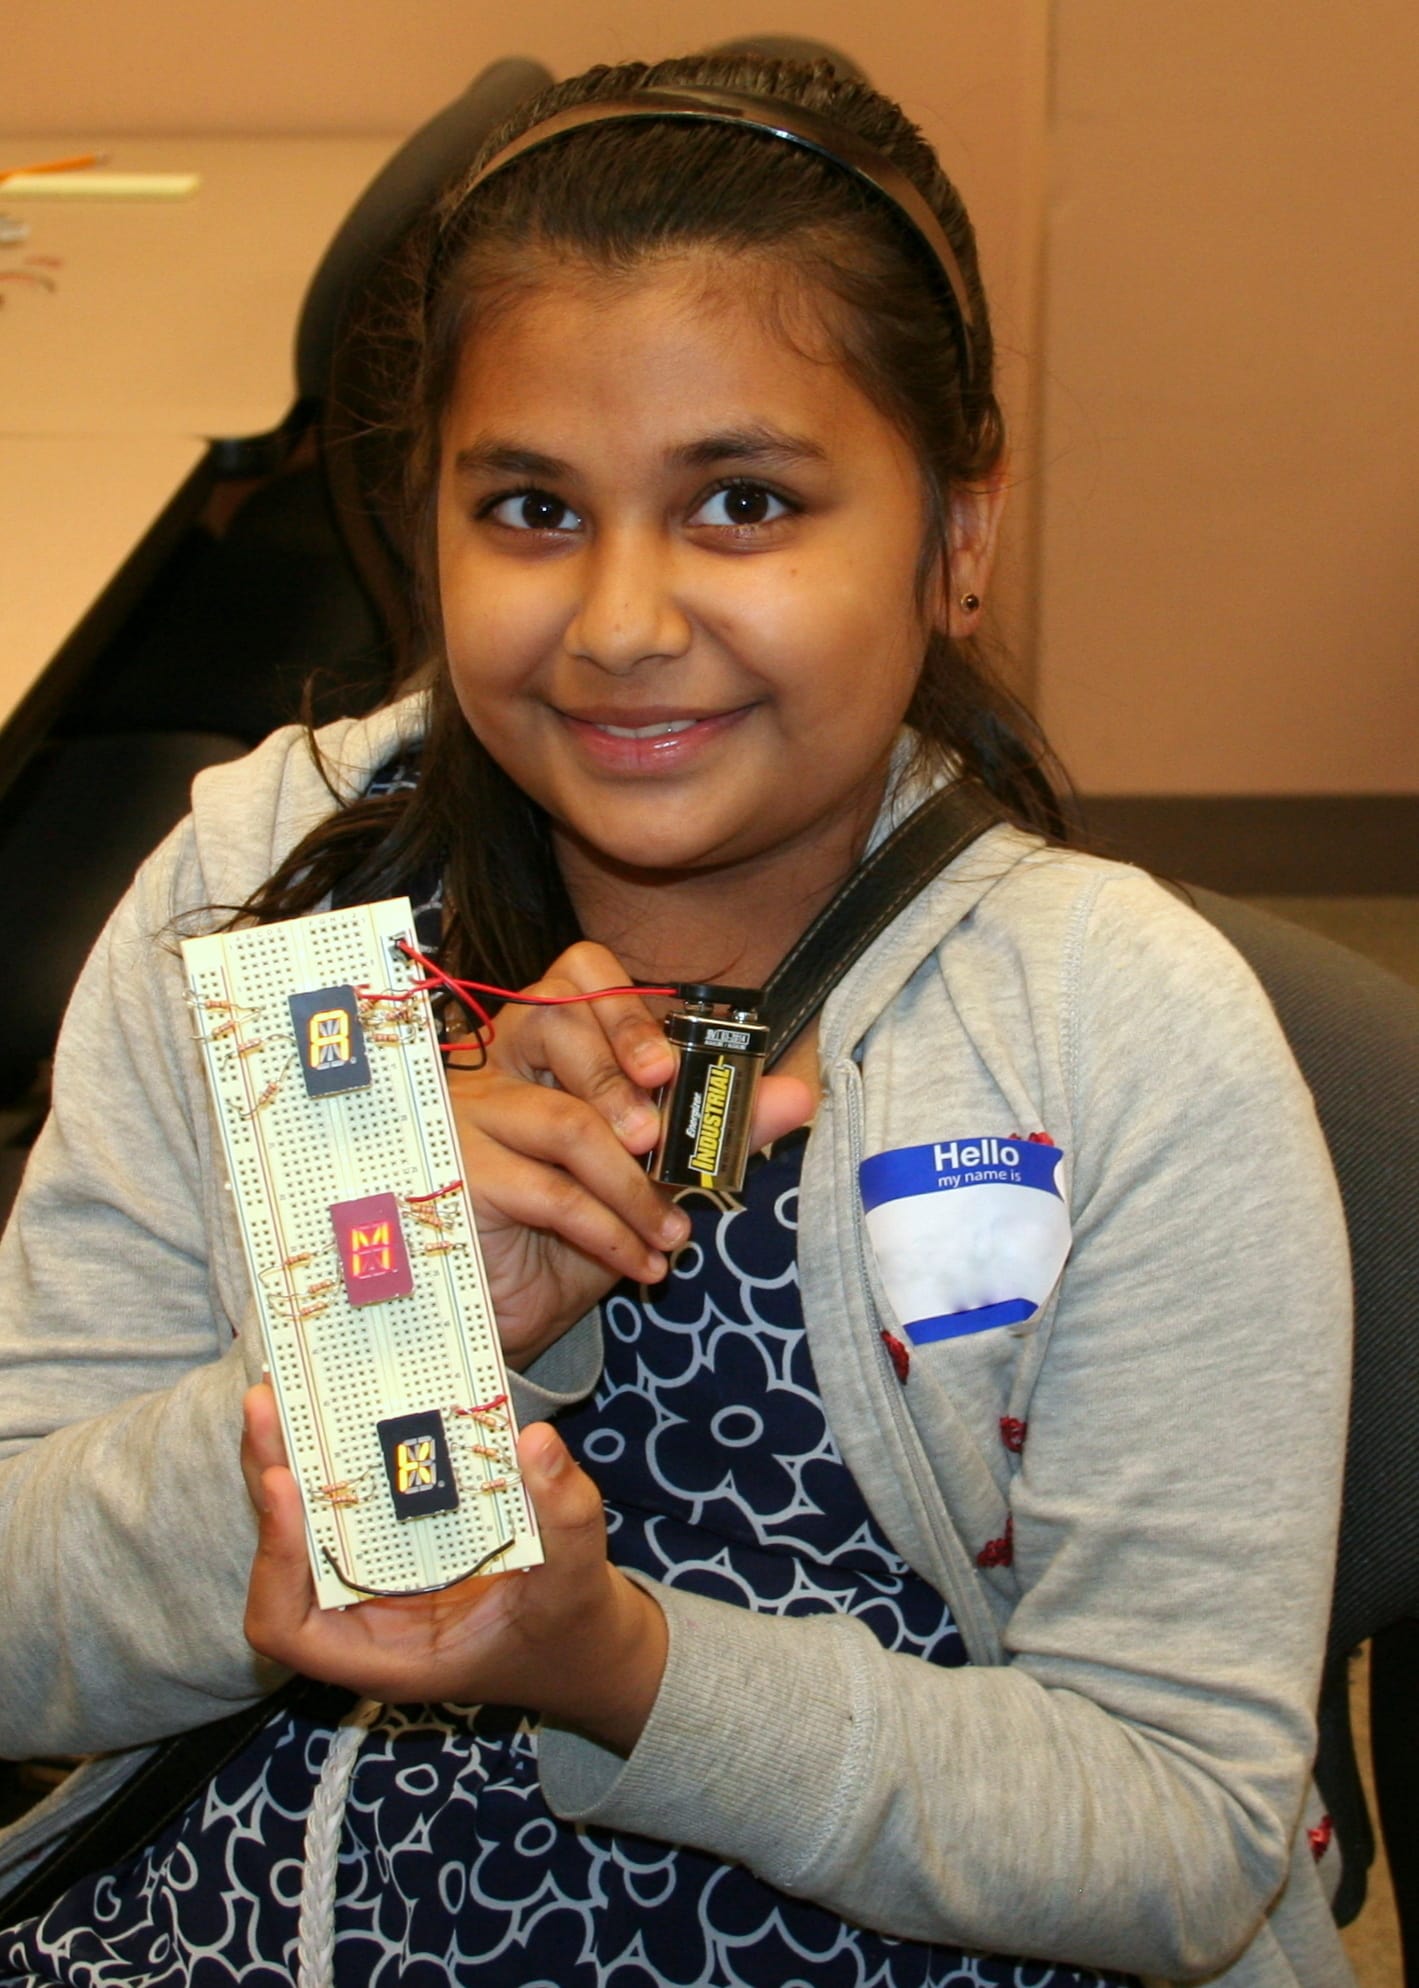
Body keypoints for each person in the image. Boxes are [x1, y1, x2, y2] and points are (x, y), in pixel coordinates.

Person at [0, 49, 1353, 1988]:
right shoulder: (283, 903)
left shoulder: (1113, 1031)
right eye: (532, 506)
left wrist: (624, 1667)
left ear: (953, 530)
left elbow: (1178, 1833)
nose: (621, 618)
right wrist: (380, 1339)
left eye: (739, 499)